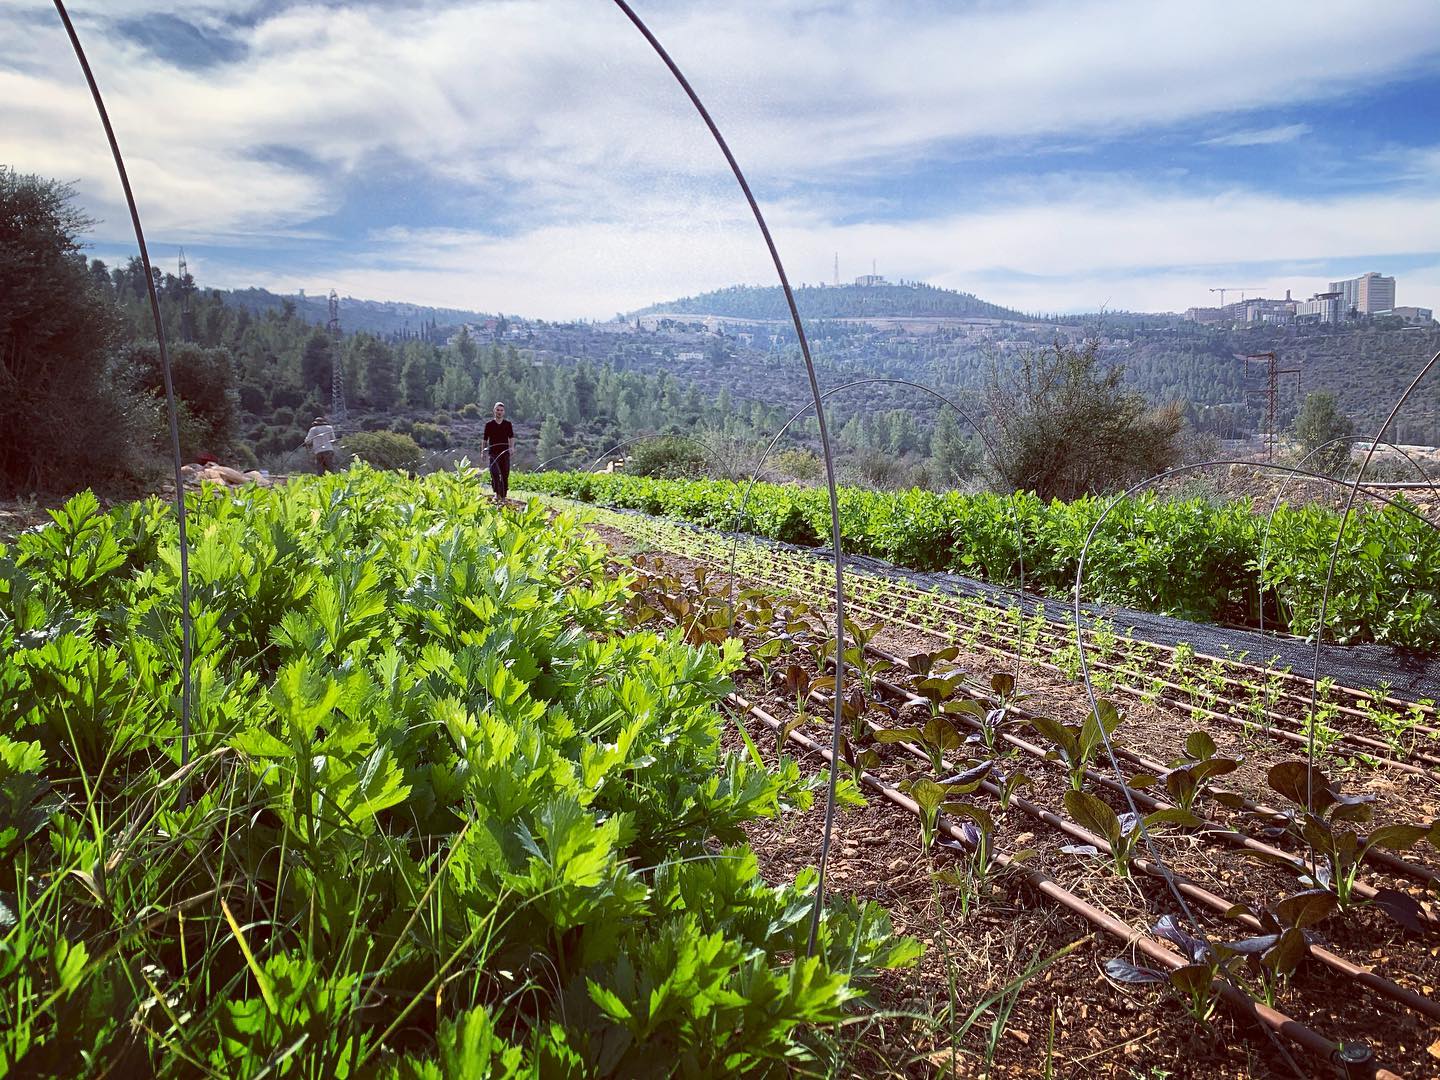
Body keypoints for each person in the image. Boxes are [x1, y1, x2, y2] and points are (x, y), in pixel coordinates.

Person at [483, 401, 515, 500]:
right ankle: (497, 493)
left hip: (505, 452)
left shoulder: (508, 424)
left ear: (504, 412)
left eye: (501, 410)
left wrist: (512, 447)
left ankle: (504, 496)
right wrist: (483, 451)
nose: (499, 412)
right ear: (494, 411)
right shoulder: (489, 424)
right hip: (493, 452)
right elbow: (484, 439)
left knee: (505, 474)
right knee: (494, 473)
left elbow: (511, 437)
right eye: (497, 410)